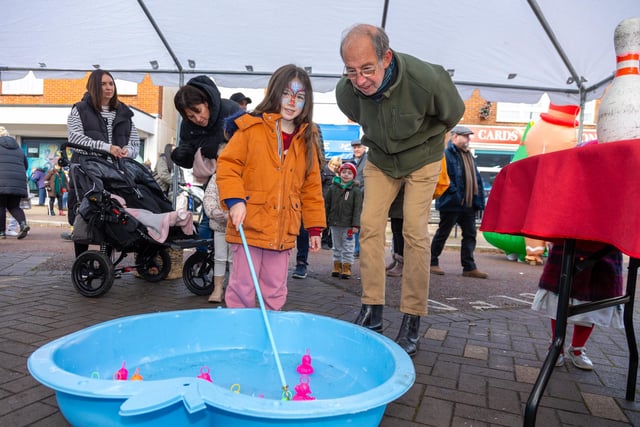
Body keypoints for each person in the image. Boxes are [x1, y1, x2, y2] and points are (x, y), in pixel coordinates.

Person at [336, 23, 464, 356]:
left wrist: (423, 139)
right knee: (369, 226)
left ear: (386, 58)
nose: (360, 80)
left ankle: (412, 318)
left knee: (414, 232)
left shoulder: (428, 80)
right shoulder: (346, 92)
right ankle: (372, 309)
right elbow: (359, 113)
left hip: (423, 158)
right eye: (351, 71)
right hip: (381, 159)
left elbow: (453, 113)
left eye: (367, 69)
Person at [217, 64, 326, 311]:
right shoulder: (250, 129)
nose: (291, 102)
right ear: (274, 94)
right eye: (286, 94)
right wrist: (235, 201)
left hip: (282, 234)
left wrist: (315, 227)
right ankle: (239, 337)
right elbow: (228, 166)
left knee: (275, 289)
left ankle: (270, 337)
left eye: (299, 97)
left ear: (306, 102)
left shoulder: (307, 140)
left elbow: (312, 187)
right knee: (242, 287)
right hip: (250, 227)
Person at [66, 69, 140, 256]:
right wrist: (106, 148)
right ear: (93, 87)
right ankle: (82, 262)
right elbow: (75, 140)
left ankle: (106, 262)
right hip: (85, 171)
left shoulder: (124, 112)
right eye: (103, 84)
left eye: (111, 84)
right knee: (83, 214)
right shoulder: (80, 109)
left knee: (111, 215)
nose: (108, 88)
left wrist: (127, 152)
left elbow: (134, 144)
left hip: (114, 172)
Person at [171, 76, 242, 249]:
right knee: (209, 218)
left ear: (206, 102)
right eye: (190, 116)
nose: (197, 118)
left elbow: (250, 145)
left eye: (198, 111)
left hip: (238, 176)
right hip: (212, 179)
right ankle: (203, 258)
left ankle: (234, 260)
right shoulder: (188, 126)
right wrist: (181, 155)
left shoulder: (230, 109)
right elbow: (188, 158)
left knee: (236, 218)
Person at [532, 243, 623, 370]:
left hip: (605, 246)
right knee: (559, 300)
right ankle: (556, 346)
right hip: (571, 240)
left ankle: (577, 349)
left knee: (593, 302)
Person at [430, 126, 488, 279]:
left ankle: (469, 267)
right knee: (443, 233)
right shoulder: (446, 154)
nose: (468, 139)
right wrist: (456, 195)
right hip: (452, 203)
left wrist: (477, 201)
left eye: (469, 136)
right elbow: (445, 178)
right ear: (454, 137)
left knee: (470, 234)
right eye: (465, 136)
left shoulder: (468, 155)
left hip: (468, 203)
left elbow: (477, 180)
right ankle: (431, 262)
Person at [324, 162, 363, 279]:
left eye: (349, 173)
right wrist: (325, 221)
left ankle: (347, 266)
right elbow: (327, 205)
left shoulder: (356, 191)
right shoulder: (332, 188)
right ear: (339, 173)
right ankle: (337, 265)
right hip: (335, 223)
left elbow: (357, 209)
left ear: (353, 176)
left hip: (349, 225)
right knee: (336, 245)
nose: (346, 175)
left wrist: (356, 224)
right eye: (344, 172)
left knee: (348, 246)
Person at [202, 166, 232, 303]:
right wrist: (213, 211)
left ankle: (233, 288)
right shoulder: (217, 176)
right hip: (219, 226)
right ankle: (218, 288)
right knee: (219, 257)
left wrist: (232, 215)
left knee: (234, 259)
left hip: (238, 227)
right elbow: (209, 196)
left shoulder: (245, 174)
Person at [0, 126, 31, 239]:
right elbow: (25, 166)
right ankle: (23, 224)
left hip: (1, 182)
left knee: (1, 206)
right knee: (14, 206)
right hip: (18, 182)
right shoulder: (18, 149)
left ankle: (1, 232)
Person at [320, 156, 342, 249]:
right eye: (333, 164)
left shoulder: (339, 174)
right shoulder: (324, 172)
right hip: (325, 200)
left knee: (332, 221)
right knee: (326, 222)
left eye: (337, 166)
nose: (334, 167)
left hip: (335, 201)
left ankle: (329, 240)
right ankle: (324, 240)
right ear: (330, 163)